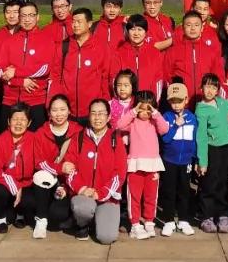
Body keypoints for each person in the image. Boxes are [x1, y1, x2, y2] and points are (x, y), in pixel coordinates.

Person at [66, 98, 127, 244]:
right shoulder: (79, 137)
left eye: (101, 113)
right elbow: (69, 168)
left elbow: (120, 173)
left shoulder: (115, 139)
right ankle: (82, 224)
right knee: (82, 208)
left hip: (108, 196)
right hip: (84, 194)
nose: (97, 117)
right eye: (93, 113)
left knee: (107, 238)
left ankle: (98, 221)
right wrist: (82, 189)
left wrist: (102, 193)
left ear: (109, 117)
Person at [116, 89, 169, 238]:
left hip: (152, 166)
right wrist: (133, 112)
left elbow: (164, 129)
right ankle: (135, 225)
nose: (145, 113)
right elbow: (119, 125)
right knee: (134, 197)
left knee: (151, 197)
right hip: (135, 166)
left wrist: (155, 113)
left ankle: (149, 222)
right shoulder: (133, 122)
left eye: (148, 109)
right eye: (142, 109)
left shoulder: (154, 121)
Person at [0, 1, 53, 133]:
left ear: (38, 17)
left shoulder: (46, 39)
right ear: (19, 18)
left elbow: (44, 68)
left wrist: (16, 72)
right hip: (10, 100)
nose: (27, 19)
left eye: (31, 15)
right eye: (23, 15)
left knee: (35, 141)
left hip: (35, 100)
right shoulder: (9, 41)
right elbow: (0, 69)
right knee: (6, 140)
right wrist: (20, 81)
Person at [30, 94, 82, 238]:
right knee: (40, 175)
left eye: (62, 109)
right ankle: (41, 220)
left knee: (58, 215)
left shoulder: (78, 131)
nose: (59, 114)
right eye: (54, 110)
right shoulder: (41, 133)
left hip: (69, 181)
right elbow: (39, 162)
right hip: (49, 178)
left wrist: (65, 186)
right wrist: (59, 168)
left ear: (69, 111)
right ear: (49, 113)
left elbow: (80, 162)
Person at [195, 73, 228, 233]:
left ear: (218, 90)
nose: (210, 90)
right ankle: (206, 217)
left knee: (223, 182)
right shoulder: (201, 109)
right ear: (201, 88)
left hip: (225, 148)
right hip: (211, 150)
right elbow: (201, 137)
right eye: (207, 86)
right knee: (209, 183)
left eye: (214, 87)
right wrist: (202, 162)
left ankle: (223, 215)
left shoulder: (221, 102)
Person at [0, 103, 35, 233]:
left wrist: (21, 186)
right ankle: (1, 219)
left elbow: (40, 164)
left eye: (23, 119)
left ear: (29, 123)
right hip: (5, 184)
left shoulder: (34, 139)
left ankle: (20, 215)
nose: (18, 123)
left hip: (26, 183)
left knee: (30, 199)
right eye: (15, 119)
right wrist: (15, 186)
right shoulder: (0, 140)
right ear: (8, 121)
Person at [56, 7, 110, 125]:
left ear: (89, 24)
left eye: (79, 22)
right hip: (67, 110)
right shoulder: (64, 46)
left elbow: (105, 76)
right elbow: (56, 75)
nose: (75, 25)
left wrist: (105, 103)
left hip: (93, 110)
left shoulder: (101, 46)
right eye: (73, 21)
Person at [159, 82, 197, 236]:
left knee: (184, 191)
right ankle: (168, 221)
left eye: (179, 101)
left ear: (186, 100)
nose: (176, 105)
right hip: (169, 160)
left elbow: (194, 140)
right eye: (173, 101)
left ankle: (183, 220)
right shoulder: (166, 117)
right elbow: (165, 139)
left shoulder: (192, 118)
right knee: (169, 191)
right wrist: (175, 125)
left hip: (186, 161)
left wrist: (195, 160)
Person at [166, 10, 224, 102]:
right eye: (188, 25)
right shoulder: (173, 51)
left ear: (202, 28)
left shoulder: (211, 51)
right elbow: (167, 76)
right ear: (183, 28)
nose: (192, 28)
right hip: (181, 104)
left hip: (206, 103)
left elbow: (218, 76)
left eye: (196, 25)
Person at [110, 14, 165, 100]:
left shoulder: (154, 53)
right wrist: (121, 102)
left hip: (147, 102)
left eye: (140, 29)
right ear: (127, 31)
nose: (136, 33)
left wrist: (152, 102)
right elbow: (114, 79)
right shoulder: (119, 53)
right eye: (132, 29)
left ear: (146, 32)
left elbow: (158, 80)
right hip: (125, 102)